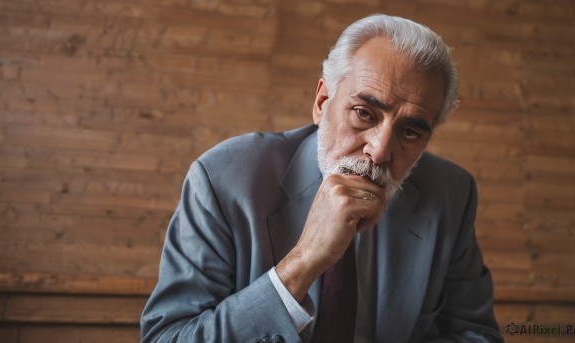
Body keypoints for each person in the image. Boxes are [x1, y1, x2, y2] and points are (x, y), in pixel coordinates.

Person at [141, 14, 503, 343]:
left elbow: (476, 335)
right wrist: (303, 262)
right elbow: (166, 338)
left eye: (410, 132)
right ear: (321, 102)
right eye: (364, 113)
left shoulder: (451, 195)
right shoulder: (223, 180)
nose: (379, 152)